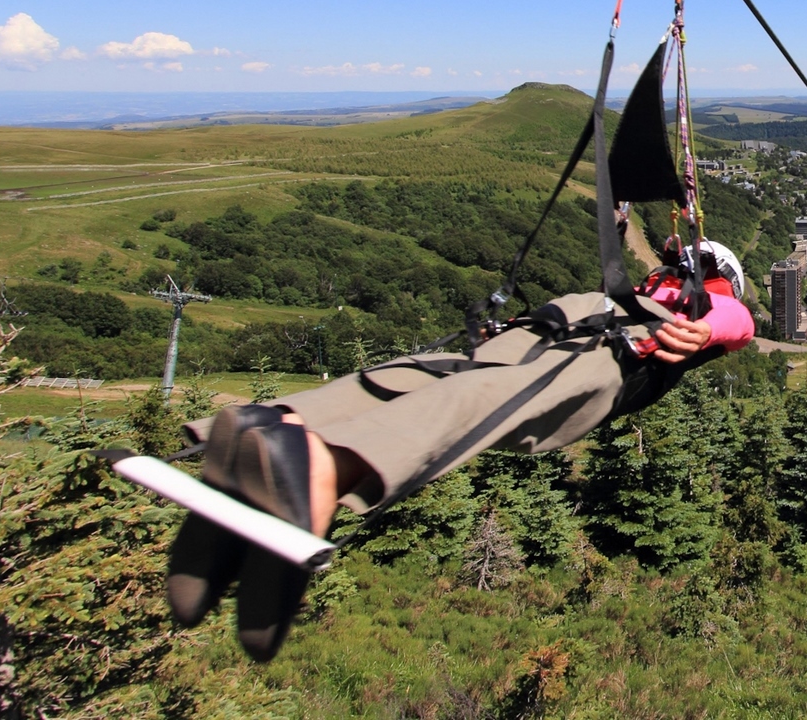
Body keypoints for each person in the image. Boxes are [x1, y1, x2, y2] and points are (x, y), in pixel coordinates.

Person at [166, 240, 754, 660]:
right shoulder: (704, 300)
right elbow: (738, 320)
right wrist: (703, 327)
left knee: (434, 373)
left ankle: (274, 425)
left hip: (568, 317)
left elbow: (726, 316)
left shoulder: (669, 286)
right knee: (485, 400)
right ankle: (322, 467)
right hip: (618, 349)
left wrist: (694, 311)